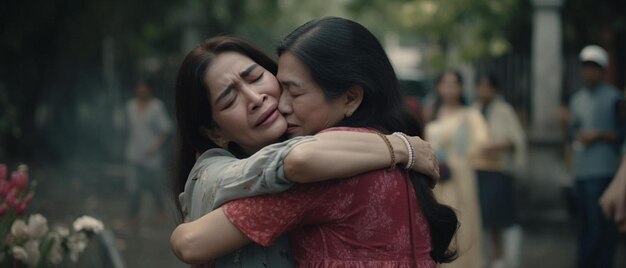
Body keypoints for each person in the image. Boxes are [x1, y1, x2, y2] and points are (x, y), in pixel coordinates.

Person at [171, 17, 458, 267]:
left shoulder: (325, 174)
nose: (259, 99)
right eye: (230, 98)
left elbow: (189, 242)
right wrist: (402, 148)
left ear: (350, 98)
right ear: (214, 132)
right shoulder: (382, 152)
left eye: (258, 77)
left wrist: (402, 148)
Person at [425, 70, 488, 268]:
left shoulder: (471, 115)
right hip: (435, 178)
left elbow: (481, 142)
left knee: (462, 222)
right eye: (445, 83)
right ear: (438, 87)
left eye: (454, 84)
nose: (449, 88)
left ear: (461, 88)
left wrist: (459, 158)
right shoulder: (431, 113)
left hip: (460, 177)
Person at [568, 45, 622, 268]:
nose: (589, 72)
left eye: (594, 68)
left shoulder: (615, 98)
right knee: (586, 225)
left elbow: (622, 134)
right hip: (582, 170)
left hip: (605, 170)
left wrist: (599, 135)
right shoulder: (577, 99)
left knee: (602, 226)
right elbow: (573, 132)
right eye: (586, 67)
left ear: (602, 70)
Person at [473, 73, 526, 268]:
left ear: (495, 90)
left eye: (488, 87)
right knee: (483, 218)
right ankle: (487, 259)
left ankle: (503, 259)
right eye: (481, 86)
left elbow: (515, 139)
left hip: (499, 171)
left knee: (500, 218)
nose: (483, 91)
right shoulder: (474, 110)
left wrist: (494, 145)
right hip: (478, 170)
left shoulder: (504, 110)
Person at [124, 79, 172, 224]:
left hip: (152, 156)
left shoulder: (156, 107)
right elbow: (128, 128)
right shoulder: (130, 106)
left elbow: (166, 130)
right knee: (133, 188)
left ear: (149, 90)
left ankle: (161, 212)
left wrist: (155, 146)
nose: (141, 91)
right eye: (139, 88)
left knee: (156, 187)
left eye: (144, 88)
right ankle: (133, 217)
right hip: (134, 153)